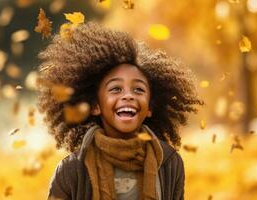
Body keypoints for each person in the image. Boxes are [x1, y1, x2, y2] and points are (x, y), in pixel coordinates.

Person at [37, 22, 203, 200]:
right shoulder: (72, 171)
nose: (128, 96)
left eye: (138, 90)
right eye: (116, 89)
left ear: (150, 108)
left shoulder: (169, 163)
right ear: (95, 106)